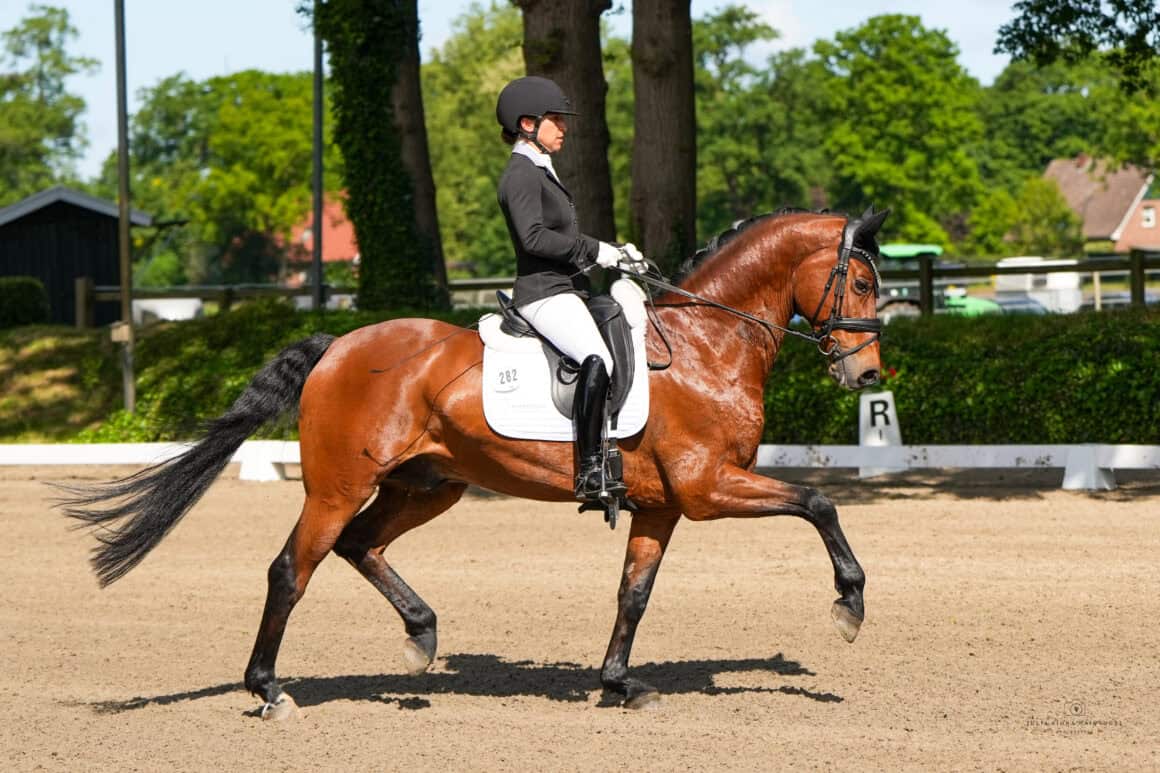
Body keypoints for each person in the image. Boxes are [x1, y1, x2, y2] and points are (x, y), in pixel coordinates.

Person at [494, 75, 641, 505]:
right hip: (543, 292)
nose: (564, 127)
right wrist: (596, 250)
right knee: (597, 359)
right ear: (526, 124)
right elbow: (534, 239)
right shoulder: (520, 174)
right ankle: (590, 470)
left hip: (567, 288)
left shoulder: (541, 169)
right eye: (554, 120)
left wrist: (614, 252)